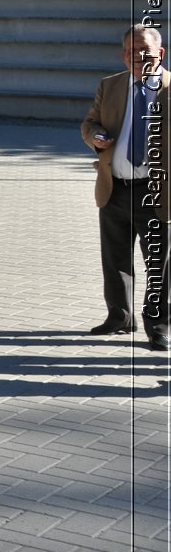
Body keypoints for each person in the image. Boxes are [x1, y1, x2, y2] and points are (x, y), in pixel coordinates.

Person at [82, 25, 171, 350]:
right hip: (114, 187)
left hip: (157, 192)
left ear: (159, 53)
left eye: (145, 50)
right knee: (115, 259)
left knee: (158, 264)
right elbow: (90, 122)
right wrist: (95, 136)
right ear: (123, 55)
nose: (138, 56)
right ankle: (119, 317)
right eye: (132, 51)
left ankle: (158, 326)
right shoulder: (110, 85)